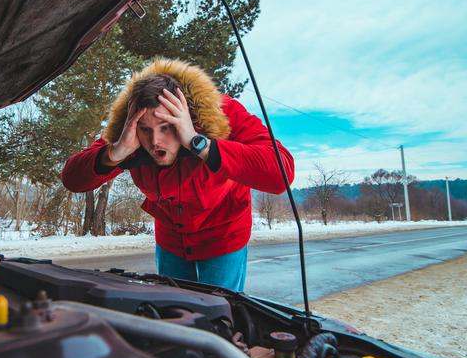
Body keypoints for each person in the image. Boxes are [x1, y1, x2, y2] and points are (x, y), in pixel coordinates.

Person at [61, 58, 294, 291]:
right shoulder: (129, 129)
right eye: (145, 129)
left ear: (187, 118)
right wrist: (115, 152)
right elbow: (72, 178)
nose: (155, 142)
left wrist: (198, 143)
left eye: (167, 127)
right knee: (173, 309)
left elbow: (281, 172)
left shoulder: (221, 112)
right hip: (171, 240)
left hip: (224, 236)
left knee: (219, 312)